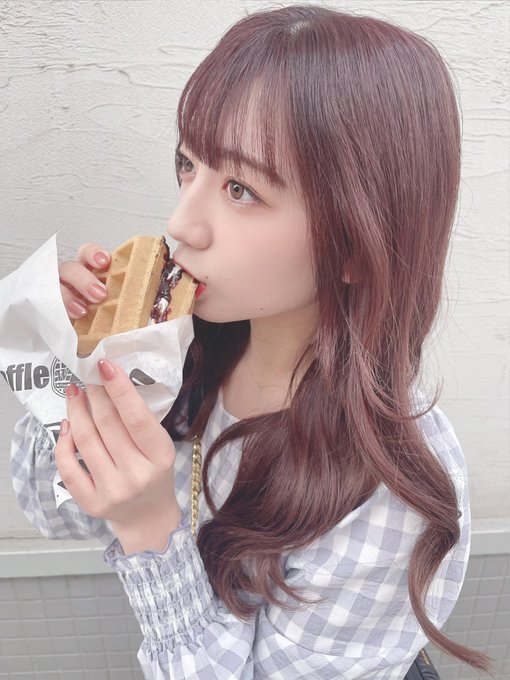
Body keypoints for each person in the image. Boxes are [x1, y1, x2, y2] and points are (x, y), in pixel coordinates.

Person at [10, 4, 490, 679]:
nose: (182, 223)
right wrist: (75, 362)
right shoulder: (173, 357)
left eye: (240, 188)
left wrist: (150, 531)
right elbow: (57, 514)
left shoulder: (388, 487)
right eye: (188, 164)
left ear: (357, 244)